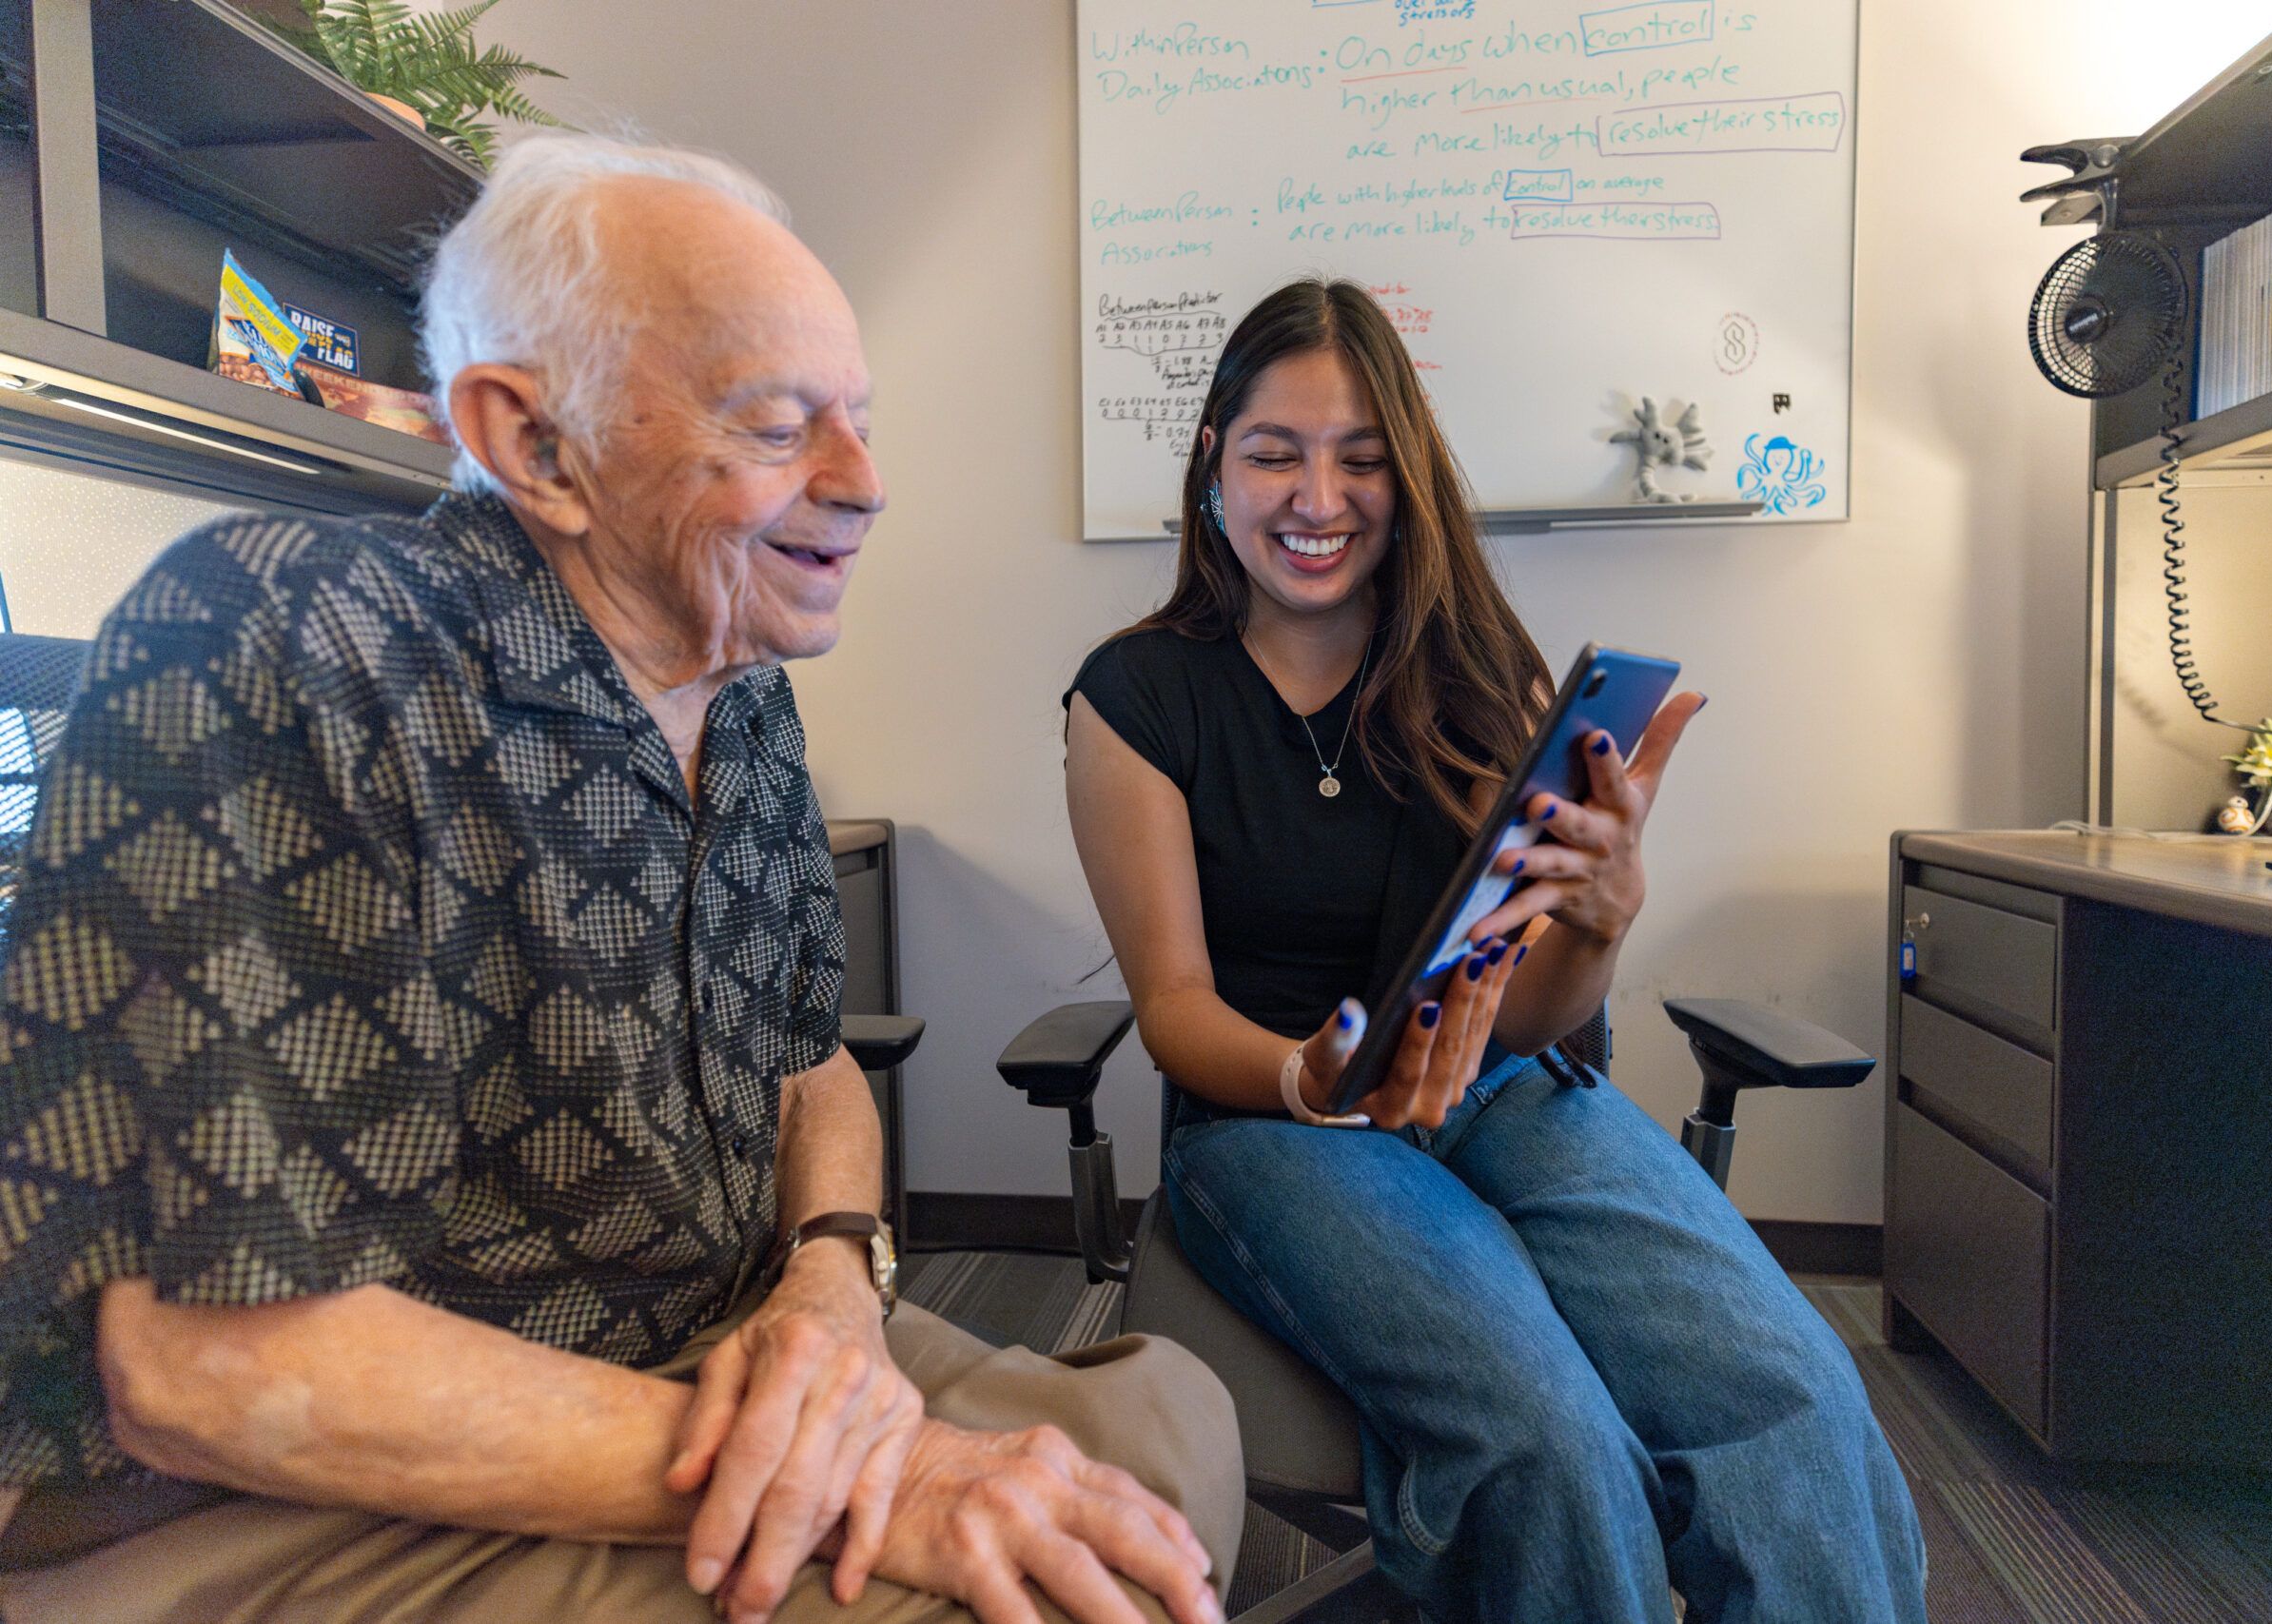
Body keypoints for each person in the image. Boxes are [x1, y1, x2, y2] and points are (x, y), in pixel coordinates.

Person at [0, 135, 1239, 1624]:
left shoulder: (747, 698)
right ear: (535, 445)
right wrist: (883, 1479)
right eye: (782, 427)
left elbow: (810, 1070)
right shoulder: (296, 644)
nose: (866, 484)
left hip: (691, 1350)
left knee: (1169, 1429)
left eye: (859, 420)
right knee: (1018, 1594)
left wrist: (833, 1287)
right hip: (281, 1483)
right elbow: (209, 1369)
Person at [1063, 279, 1926, 1623]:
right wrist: (1312, 1080)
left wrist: (1599, 917)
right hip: (1275, 1123)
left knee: (1794, 1393)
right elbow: (1173, 1004)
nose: (1317, 496)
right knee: (1545, 1440)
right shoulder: (1135, 697)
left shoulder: (1484, 673)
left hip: (1506, 1095)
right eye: (1274, 452)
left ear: (1407, 483)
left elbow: (1532, 1016)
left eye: (1360, 459)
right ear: (1212, 471)